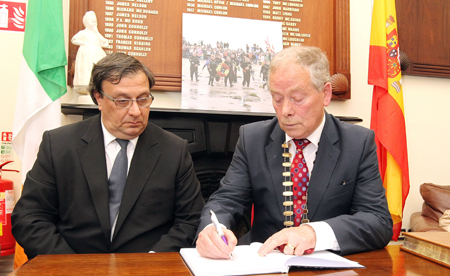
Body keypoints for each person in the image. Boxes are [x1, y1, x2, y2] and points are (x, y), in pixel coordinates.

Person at [195, 46, 392, 259]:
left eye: (297, 98)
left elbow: (377, 221)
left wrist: (315, 233)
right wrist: (212, 230)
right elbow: (226, 200)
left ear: (325, 94)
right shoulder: (252, 139)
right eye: (277, 99)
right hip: (264, 265)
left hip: (331, 268)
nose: (286, 110)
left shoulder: (357, 143)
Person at [12, 52, 205, 259]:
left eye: (143, 99)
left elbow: (190, 220)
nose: (136, 111)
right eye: (122, 101)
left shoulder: (173, 150)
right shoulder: (59, 145)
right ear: (99, 98)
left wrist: (151, 261)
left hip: (146, 267)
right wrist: (72, 267)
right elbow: (29, 217)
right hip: (73, 266)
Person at [71, 11, 109, 95]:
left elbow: (105, 42)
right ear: (86, 22)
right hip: (87, 54)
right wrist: (84, 43)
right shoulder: (83, 33)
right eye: (92, 21)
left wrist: (96, 31)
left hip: (97, 53)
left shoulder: (96, 34)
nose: (94, 23)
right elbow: (74, 39)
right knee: (87, 70)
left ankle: (97, 84)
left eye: (95, 21)